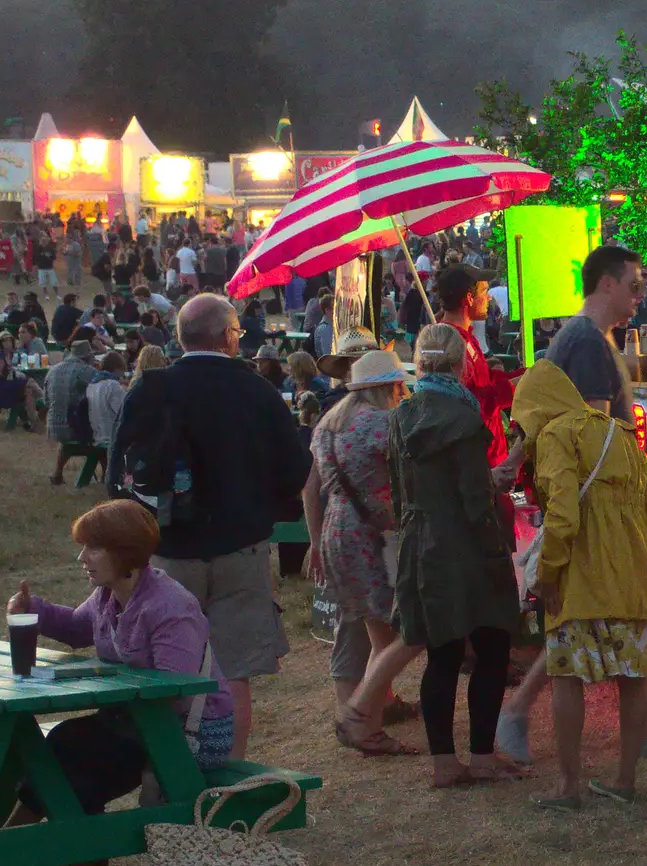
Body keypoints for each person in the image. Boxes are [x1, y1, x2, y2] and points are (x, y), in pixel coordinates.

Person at [495, 245, 647, 763]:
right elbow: (593, 444)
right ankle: (519, 712)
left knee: (617, 611)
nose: (641, 297)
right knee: (598, 614)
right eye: (635, 285)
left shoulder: (591, 339)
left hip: (607, 502)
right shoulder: (586, 342)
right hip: (600, 507)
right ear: (606, 284)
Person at [0, 501, 233, 866]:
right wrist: (33, 609)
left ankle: (6, 859)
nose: (82, 558)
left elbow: (176, 691)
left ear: (123, 552)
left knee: (72, 752)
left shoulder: (169, 606)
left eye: (93, 548)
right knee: (66, 752)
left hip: (188, 735)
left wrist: (111, 685)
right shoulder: (110, 597)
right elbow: (76, 627)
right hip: (135, 726)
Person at [109, 294, 311, 759]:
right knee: (233, 670)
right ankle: (231, 773)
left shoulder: (152, 388)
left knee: (169, 666)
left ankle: (166, 772)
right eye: (238, 332)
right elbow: (295, 471)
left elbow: (117, 471)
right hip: (240, 546)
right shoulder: (256, 390)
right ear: (226, 337)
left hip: (167, 546)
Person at [347, 325, 524, 785]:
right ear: (462, 363)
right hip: (465, 543)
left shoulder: (401, 416)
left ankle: (444, 762)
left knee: (442, 654)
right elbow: (474, 500)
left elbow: (400, 489)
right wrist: (496, 516)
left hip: (421, 539)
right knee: (491, 647)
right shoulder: (464, 420)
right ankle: (481, 755)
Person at [511, 342, 647, 809]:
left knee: (567, 676)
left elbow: (562, 516)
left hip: (580, 577)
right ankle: (624, 780)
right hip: (637, 575)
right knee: (633, 677)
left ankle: (568, 787)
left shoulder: (555, 436)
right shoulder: (620, 433)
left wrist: (550, 576)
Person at [302, 350, 416, 756]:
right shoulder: (382, 423)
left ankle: (364, 721)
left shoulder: (329, 423)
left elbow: (312, 485)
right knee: (391, 634)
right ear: (388, 387)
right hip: (370, 534)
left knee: (374, 629)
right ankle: (362, 721)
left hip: (336, 528)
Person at [434, 265, 513, 468]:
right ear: (469, 298)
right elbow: (471, 405)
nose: (489, 298)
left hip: (489, 456)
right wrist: (514, 386)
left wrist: (524, 376)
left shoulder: (465, 336)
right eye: (484, 292)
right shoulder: (447, 344)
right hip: (476, 464)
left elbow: (484, 381)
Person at [45, 340, 98, 485]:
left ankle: (57, 472)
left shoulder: (53, 370)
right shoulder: (89, 372)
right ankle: (107, 476)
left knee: (69, 437)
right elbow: (97, 401)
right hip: (75, 427)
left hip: (53, 426)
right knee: (105, 435)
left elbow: (46, 401)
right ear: (87, 357)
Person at [85, 351, 127, 457]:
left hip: (96, 435)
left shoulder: (92, 385)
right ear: (118, 368)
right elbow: (124, 412)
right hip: (111, 435)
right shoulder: (113, 386)